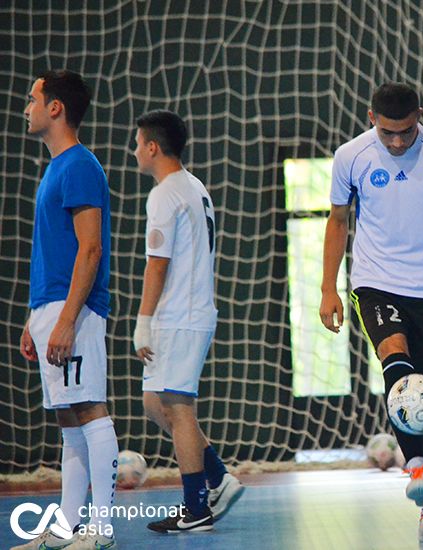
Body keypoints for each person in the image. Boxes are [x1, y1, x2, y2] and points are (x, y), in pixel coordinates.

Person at [320, 83, 423, 542]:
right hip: (374, 284)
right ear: (371, 117)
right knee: (397, 365)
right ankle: (414, 465)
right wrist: (328, 287)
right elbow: (337, 221)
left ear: (421, 116)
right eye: (387, 132)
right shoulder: (350, 156)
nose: (396, 142)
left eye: (406, 131)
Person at [14, 70, 119, 550]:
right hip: (51, 307)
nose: (26, 107)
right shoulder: (55, 167)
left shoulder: (79, 166)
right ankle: (66, 528)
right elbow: (52, 251)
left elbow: (90, 249)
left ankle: (100, 531)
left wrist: (66, 319)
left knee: (90, 411)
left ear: (55, 108)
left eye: (32, 99)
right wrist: (35, 318)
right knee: (68, 420)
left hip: (74, 310)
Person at [131, 110, 244, 533]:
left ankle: (196, 508)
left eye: (138, 143)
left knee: (178, 409)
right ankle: (218, 478)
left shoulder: (164, 194)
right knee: (154, 405)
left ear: (153, 147)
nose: (135, 151)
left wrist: (143, 321)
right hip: (181, 315)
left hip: (181, 316)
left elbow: (156, 264)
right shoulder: (192, 185)